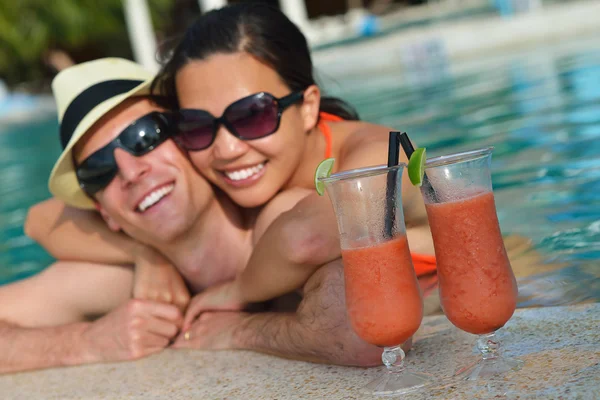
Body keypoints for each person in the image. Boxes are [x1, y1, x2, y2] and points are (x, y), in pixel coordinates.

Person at [3, 58, 384, 374]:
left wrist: (239, 330)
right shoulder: (130, 281)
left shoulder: (278, 223)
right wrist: (87, 342)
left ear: (192, 137)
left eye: (145, 137)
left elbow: (365, 333)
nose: (130, 171)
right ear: (105, 212)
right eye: (98, 169)